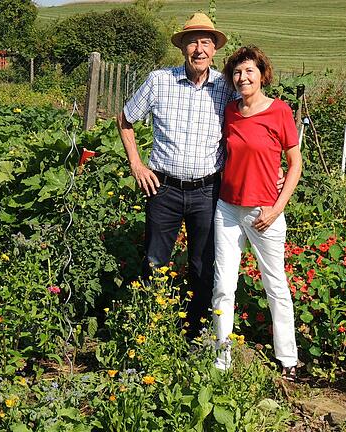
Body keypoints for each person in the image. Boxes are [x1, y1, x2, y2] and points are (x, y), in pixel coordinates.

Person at [117, 12, 232, 338]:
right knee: (154, 262)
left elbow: (250, 124)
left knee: (201, 266)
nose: (199, 49)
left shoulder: (225, 88)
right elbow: (125, 120)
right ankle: (147, 331)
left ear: (214, 50)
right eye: (193, 42)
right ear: (182, 47)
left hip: (207, 192)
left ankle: (194, 334)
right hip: (163, 189)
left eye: (206, 43)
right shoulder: (159, 81)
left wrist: (274, 166)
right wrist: (137, 165)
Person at [211, 46, 302, 381]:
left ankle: (288, 359)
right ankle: (222, 359)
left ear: (263, 75)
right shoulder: (230, 112)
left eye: (249, 71)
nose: (242, 77)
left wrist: (277, 209)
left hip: (265, 212)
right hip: (228, 209)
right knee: (223, 285)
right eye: (237, 72)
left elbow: (295, 165)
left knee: (275, 285)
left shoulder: (279, 112)